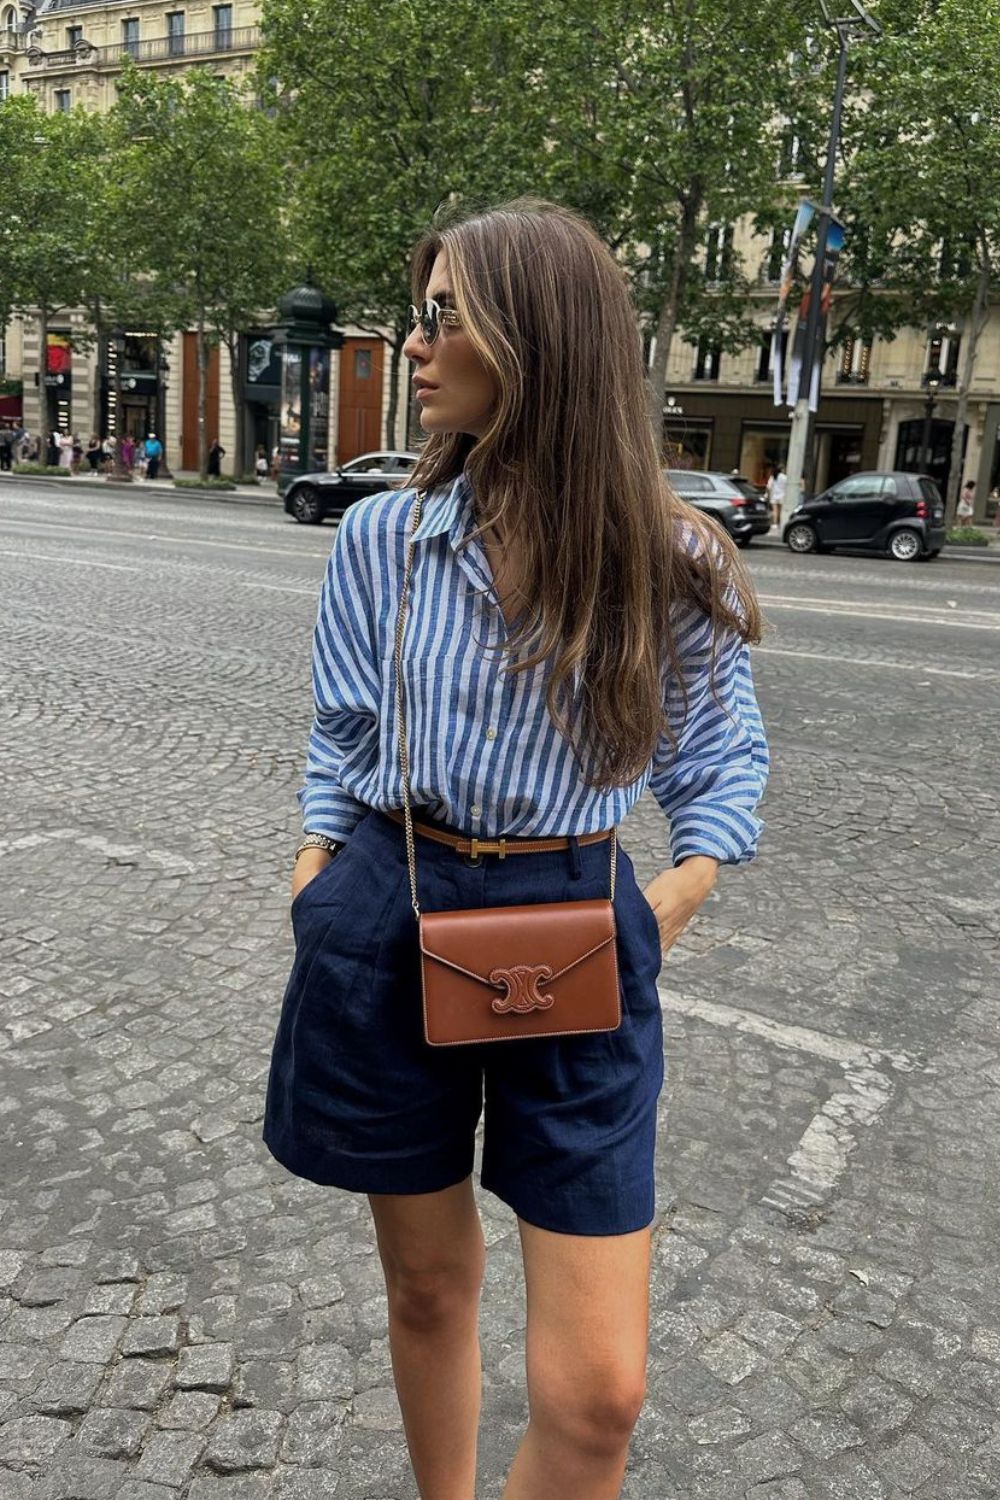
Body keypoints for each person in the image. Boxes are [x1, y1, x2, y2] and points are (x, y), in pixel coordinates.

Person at [263, 199, 769, 1500]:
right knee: (429, 1287)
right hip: (395, 893)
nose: (414, 345)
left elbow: (717, 762)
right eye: (416, 314)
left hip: (577, 925)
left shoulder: (667, 556)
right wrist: (323, 857)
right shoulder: (382, 538)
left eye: (442, 318)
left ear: (534, 337)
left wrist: (676, 893)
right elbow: (342, 722)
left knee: (598, 1396)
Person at [765, 462, 787, 527]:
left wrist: (767, 494)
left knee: (775, 511)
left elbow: (768, 487)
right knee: (780, 511)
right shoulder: (784, 477)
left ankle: (775, 523)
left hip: (774, 496)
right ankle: (780, 523)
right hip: (782, 495)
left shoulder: (773, 477)